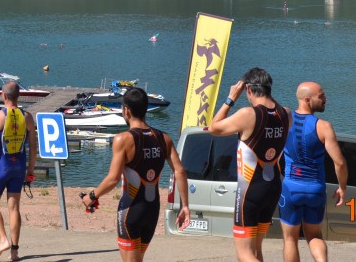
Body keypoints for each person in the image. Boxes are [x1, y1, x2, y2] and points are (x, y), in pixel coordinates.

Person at [82, 87, 189, 262]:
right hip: (152, 210)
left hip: (130, 211)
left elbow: (113, 179)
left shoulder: (123, 139)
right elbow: (180, 171)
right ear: (146, 109)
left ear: (126, 111)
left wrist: (92, 196)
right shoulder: (164, 138)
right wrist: (185, 206)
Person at [209, 68, 291, 262]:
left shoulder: (248, 114)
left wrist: (230, 99)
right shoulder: (285, 113)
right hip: (273, 189)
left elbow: (214, 127)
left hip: (249, 191)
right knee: (256, 250)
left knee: (244, 254)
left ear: (248, 89)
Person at [280, 82, 346, 262]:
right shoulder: (323, 126)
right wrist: (342, 188)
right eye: (321, 96)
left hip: (291, 187)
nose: (325, 99)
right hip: (315, 189)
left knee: (290, 239)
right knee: (314, 236)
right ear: (307, 100)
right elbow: (339, 163)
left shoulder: (285, 119)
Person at [0, 81, 38, 261]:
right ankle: (14, 252)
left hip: (1, 167)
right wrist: (30, 169)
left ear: (3, 96)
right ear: (19, 96)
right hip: (19, 167)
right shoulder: (27, 116)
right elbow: (33, 147)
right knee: (14, 208)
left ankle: (3, 239)